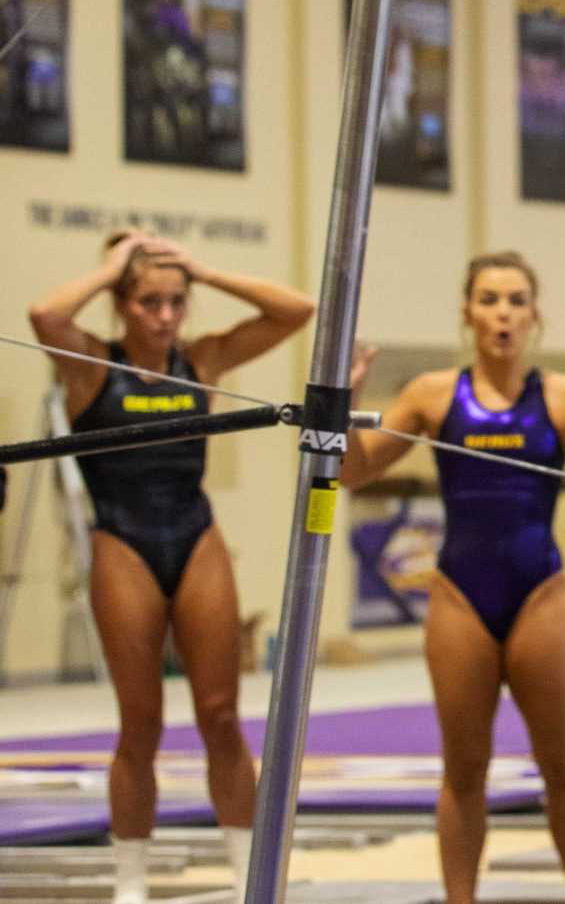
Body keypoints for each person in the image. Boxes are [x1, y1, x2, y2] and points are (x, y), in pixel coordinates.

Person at [339, 251, 565, 904]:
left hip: (539, 592)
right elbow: (353, 471)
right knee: (464, 768)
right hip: (461, 594)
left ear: (535, 315)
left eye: (516, 300)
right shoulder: (432, 394)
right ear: (468, 313)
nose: (503, 312)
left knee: (563, 764)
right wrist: (350, 403)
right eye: (490, 299)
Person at [25, 230, 315, 904]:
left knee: (220, 713)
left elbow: (297, 310)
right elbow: (44, 315)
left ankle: (249, 873)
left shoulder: (203, 358)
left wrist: (205, 269)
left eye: (175, 301)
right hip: (122, 539)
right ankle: (131, 880)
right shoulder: (91, 363)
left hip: (194, 532)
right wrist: (107, 268)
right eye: (149, 300)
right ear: (123, 304)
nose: (164, 314)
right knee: (141, 720)